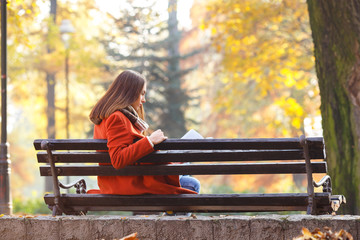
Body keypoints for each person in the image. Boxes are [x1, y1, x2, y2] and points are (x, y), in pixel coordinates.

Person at [87, 69, 200, 195]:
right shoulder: (116, 118)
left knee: (183, 171)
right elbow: (118, 159)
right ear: (129, 93)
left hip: (125, 180)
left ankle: (172, 214)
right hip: (128, 183)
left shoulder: (111, 117)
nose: (144, 100)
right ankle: (174, 215)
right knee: (192, 184)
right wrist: (150, 141)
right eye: (142, 94)